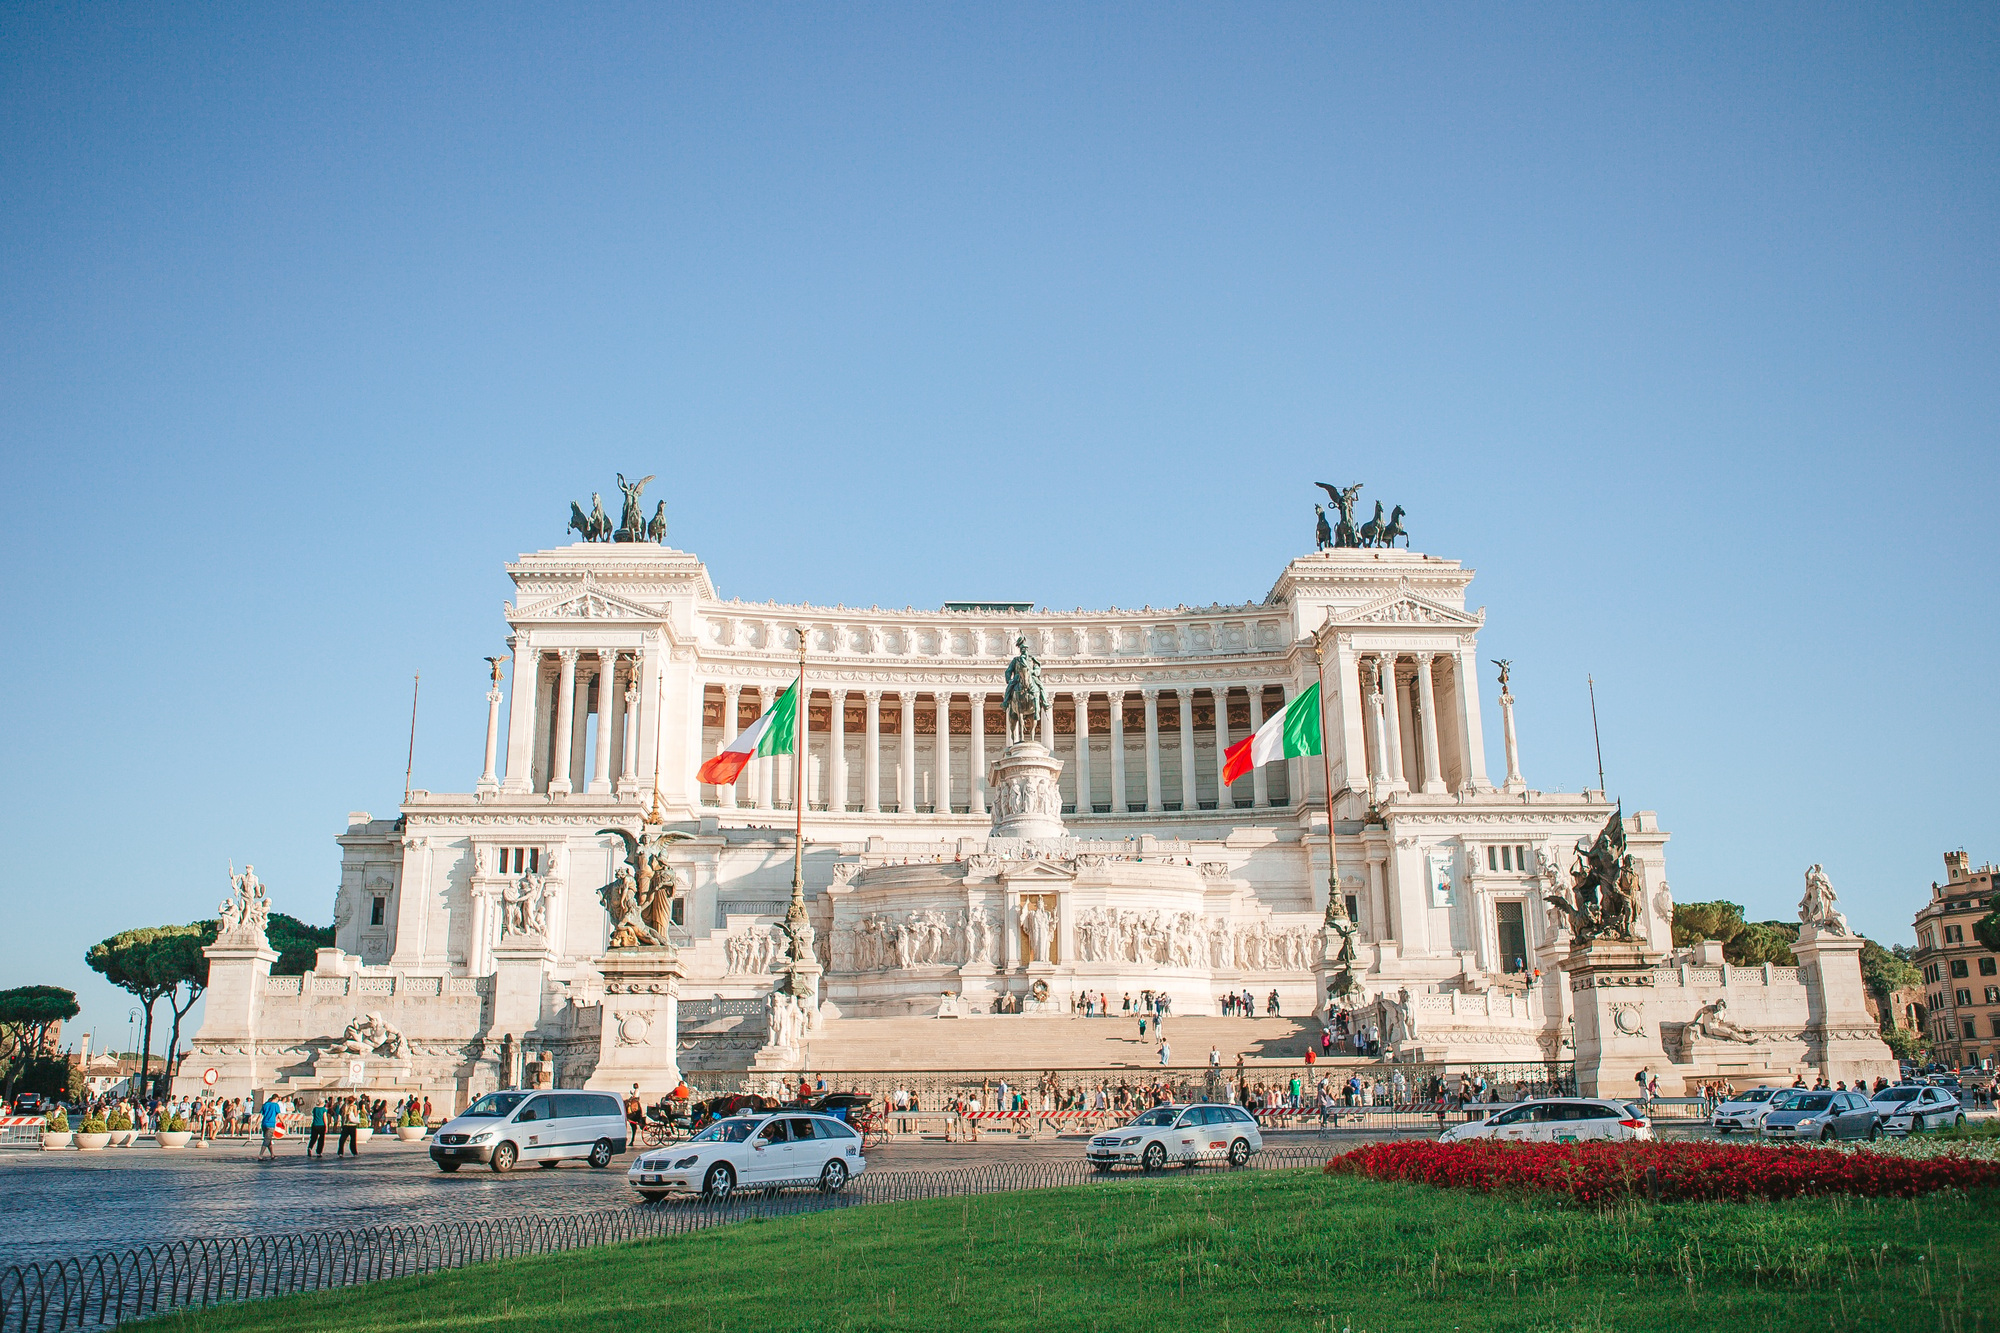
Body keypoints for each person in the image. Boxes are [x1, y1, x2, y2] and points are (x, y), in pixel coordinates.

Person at [257, 1092, 280, 1160]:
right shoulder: (276, 1105)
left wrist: (256, 1124)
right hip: (271, 1124)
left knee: (268, 1139)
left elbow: (260, 1115)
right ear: (276, 1098)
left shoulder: (265, 1105)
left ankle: (272, 1154)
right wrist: (283, 1123)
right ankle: (260, 1155)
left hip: (264, 1123)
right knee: (267, 1139)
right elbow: (279, 1115)